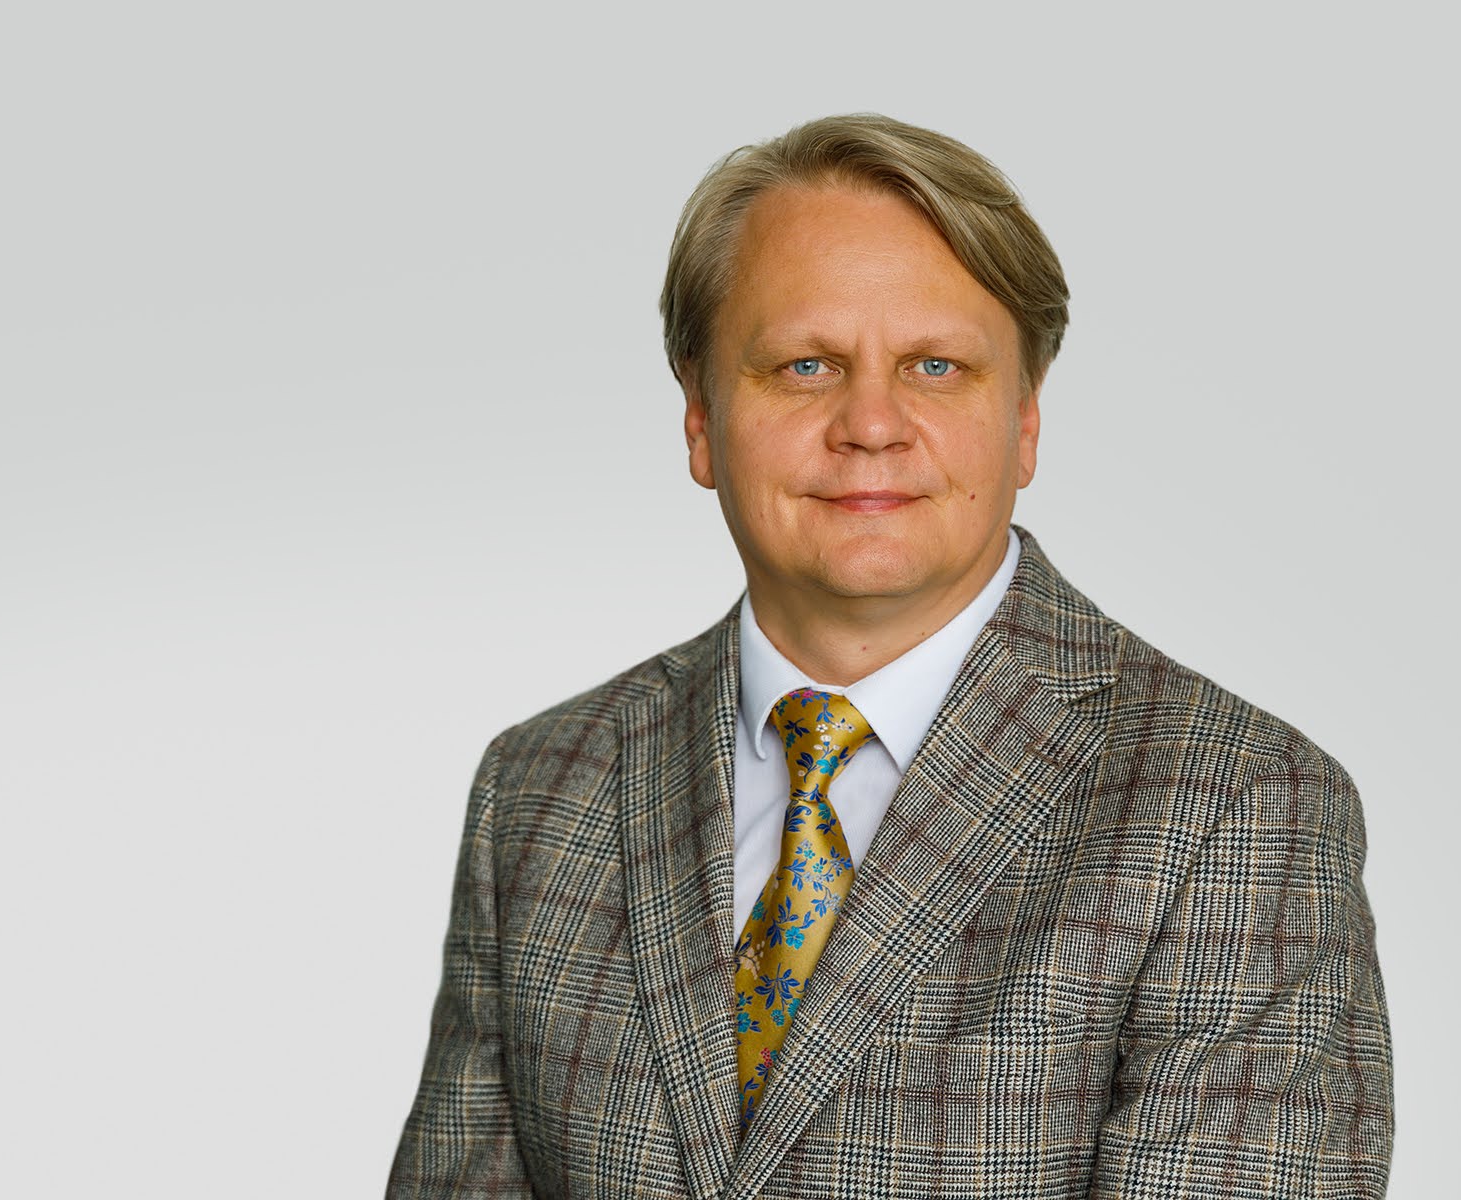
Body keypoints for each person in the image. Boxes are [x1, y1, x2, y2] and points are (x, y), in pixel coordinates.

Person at [386, 113, 1394, 1198]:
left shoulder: (1238, 805)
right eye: (804, 364)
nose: (871, 423)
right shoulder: (541, 788)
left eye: (936, 366)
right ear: (700, 419)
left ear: (1024, 423)